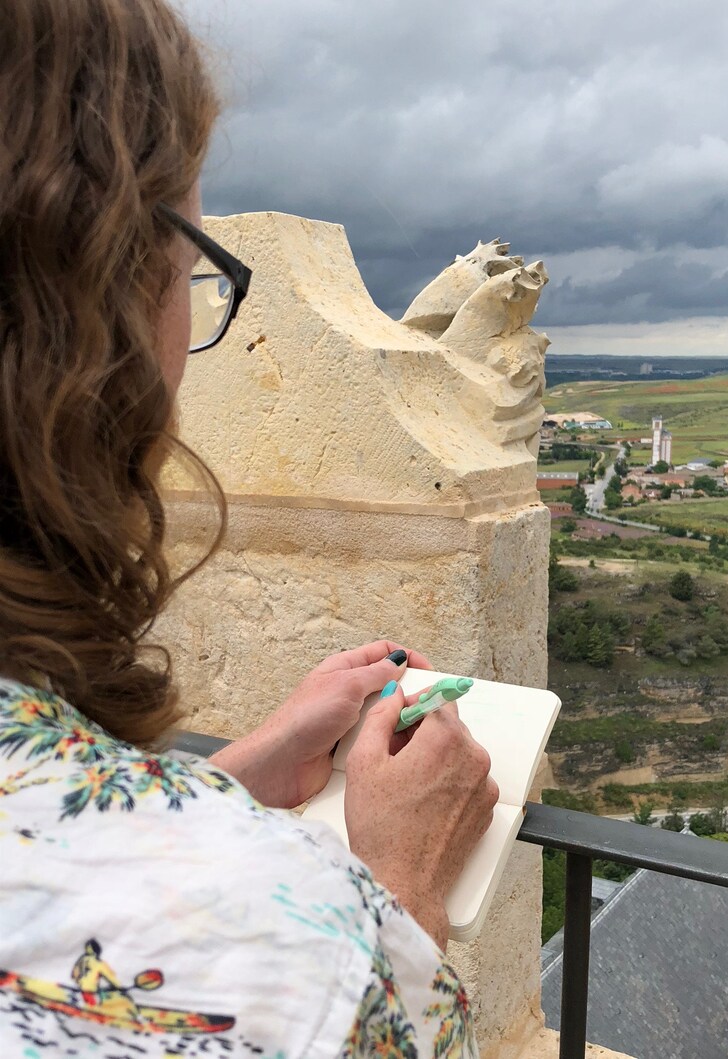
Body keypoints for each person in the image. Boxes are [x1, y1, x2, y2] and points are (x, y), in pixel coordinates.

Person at [0, 2, 498, 1057]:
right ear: (105, 297)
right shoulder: (283, 963)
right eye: (188, 260)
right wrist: (397, 884)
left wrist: (231, 777)